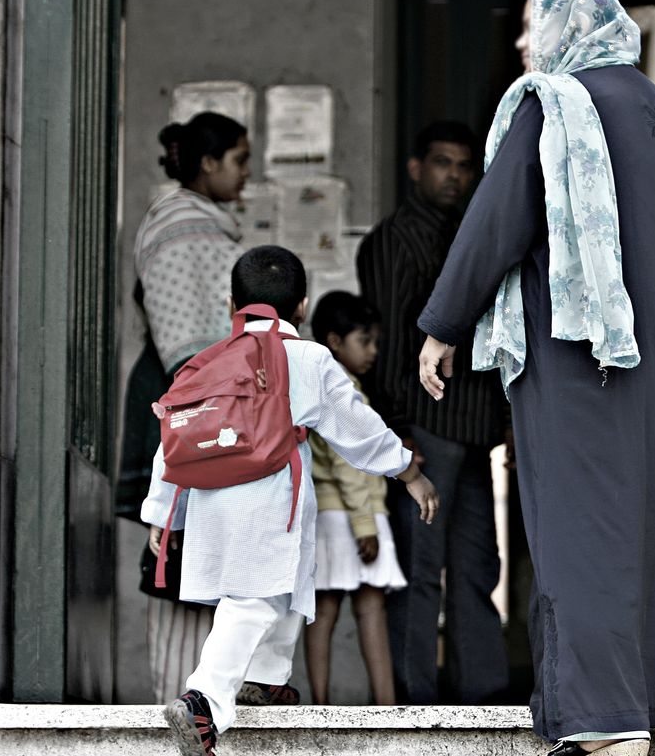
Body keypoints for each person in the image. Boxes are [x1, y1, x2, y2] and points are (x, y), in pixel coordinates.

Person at [415, 0, 655, 755]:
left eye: (532, 24)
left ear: (569, 26)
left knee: (583, 531)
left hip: (585, 362)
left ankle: (605, 721)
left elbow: (495, 219)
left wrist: (444, 323)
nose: (523, 43)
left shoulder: (554, 104)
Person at [143, 246, 438, 756]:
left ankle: (264, 681)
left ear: (233, 302)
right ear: (302, 306)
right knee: (256, 598)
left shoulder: (207, 362)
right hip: (270, 500)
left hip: (212, 502)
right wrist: (407, 470)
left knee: (281, 593)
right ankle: (205, 701)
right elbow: (357, 429)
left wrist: (162, 510)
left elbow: (173, 439)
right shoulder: (307, 358)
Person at [356, 121, 509, 703]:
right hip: (421, 427)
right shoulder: (394, 240)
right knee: (419, 573)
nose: (454, 175)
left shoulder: (472, 234)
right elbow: (391, 340)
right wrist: (396, 432)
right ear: (416, 168)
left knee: (476, 571)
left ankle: (486, 701)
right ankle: (413, 704)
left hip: (473, 430)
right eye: (442, 162)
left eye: (464, 165)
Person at [129, 111, 250, 703]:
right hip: (186, 408)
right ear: (209, 162)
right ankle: (175, 706)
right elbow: (184, 340)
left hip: (208, 408)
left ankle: (203, 705)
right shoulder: (178, 223)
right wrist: (204, 415)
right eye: (239, 160)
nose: (246, 174)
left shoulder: (210, 224)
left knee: (209, 560)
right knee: (174, 554)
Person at [304, 291, 408, 705]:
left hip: (333, 515)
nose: (373, 351)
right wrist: (365, 525)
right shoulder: (342, 389)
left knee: (324, 613)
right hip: (351, 515)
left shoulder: (326, 383)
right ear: (334, 341)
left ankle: (321, 706)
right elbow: (349, 466)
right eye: (364, 340)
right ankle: (386, 707)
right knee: (371, 612)